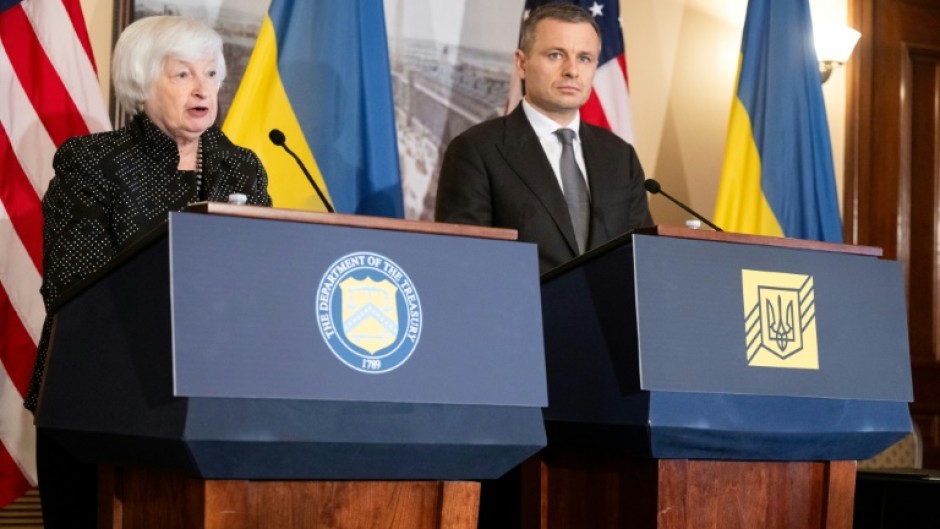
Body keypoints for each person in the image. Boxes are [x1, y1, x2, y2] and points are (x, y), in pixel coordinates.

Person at [25, 15, 272, 528]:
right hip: (97, 399)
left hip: (212, 402)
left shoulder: (241, 166)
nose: (202, 87)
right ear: (141, 82)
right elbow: (74, 282)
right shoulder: (93, 161)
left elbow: (263, 279)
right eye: (182, 74)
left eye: (210, 73)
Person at [436, 3, 653, 275]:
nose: (572, 70)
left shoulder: (621, 157)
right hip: (520, 315)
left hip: (607, 316)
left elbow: (643, 258)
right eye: (555, 55)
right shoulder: (476, 150)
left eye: (584, 58)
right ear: (522, 63)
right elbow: (464, 263)